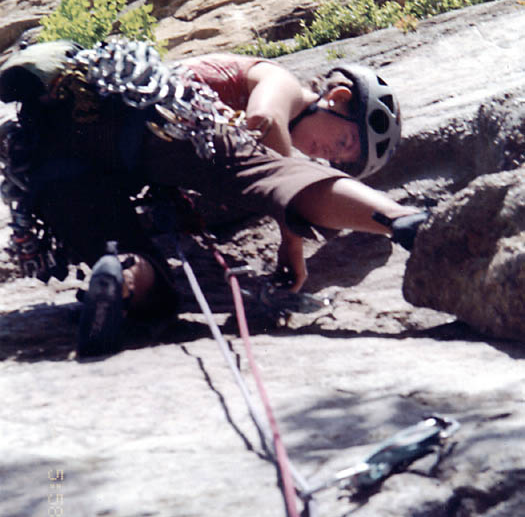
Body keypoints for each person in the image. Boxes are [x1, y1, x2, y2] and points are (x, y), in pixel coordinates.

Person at [0, 39, 427, 357]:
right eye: (345, 143)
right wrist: (290, 238)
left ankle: (121, 275)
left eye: (341, 160)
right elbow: (263, 120)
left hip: (53, 155)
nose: (330, 156)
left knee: (155, 292)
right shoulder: (281, 80)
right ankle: (404, 220)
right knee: (281, 175)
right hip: (153, 118)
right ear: (337, 99)